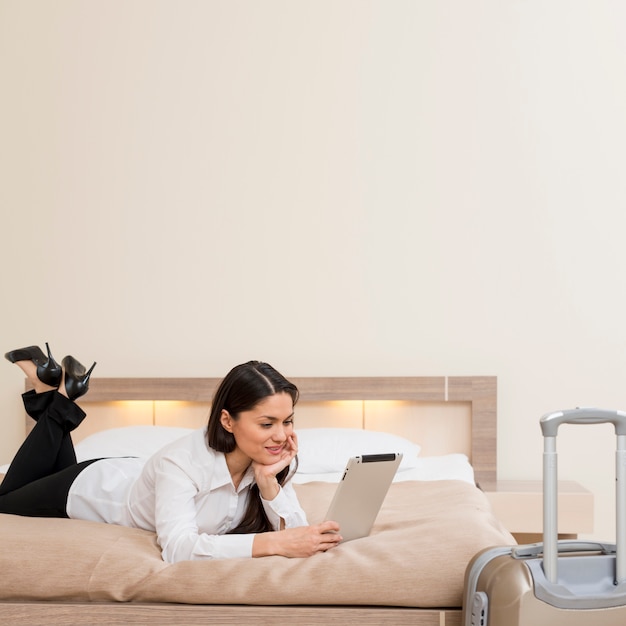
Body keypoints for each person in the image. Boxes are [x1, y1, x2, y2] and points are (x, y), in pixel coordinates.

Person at [0, 344, 342, 562]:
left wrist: (270, 485)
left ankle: (50, 387)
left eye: (288, 421)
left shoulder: (266, 462)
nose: (281, 436)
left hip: (130, 473)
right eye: (267, 424)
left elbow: (296, 534)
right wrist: (273, 545)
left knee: (33, 477)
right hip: (88, 488)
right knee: (4, 500)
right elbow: (178, 549)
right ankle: (56, 396)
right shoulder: (180, 462)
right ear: (227, 420)